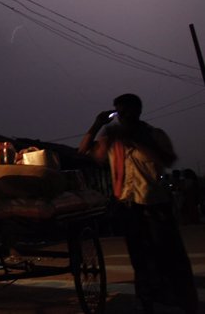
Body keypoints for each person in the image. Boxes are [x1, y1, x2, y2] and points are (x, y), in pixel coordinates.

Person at [79, 93, 198, 314]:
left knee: (166, 254)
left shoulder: (154, 134)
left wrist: (134, 140)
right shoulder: (112, 138)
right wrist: (97, 124)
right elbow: (85, 152)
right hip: (128, 206)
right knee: (139, 257)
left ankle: (174, 298)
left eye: (126, 111)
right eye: (119, 112)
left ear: (138, 111)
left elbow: (168, 159)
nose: (122, 116)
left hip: (155, 205)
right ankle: (146, 300)